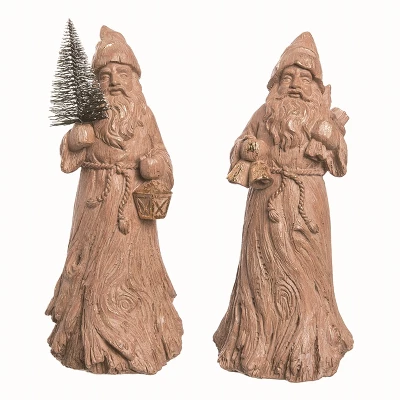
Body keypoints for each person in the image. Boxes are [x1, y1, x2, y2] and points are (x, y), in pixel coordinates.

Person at [213, 32, 353, 382]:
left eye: (304, 78)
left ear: (317, 87)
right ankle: (255, 339)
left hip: (308, 204)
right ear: (275, 84)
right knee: (261, 270)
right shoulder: (264, 114)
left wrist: (332, 137)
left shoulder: (322, 117)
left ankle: (311, 340)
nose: (294, 84)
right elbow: (239, 145)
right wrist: (248, 148)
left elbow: (340, 165)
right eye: (287, 77)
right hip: (266, 201)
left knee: (309, 271)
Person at [46, 26, 183, 374]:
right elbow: (68, 159)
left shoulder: (144, 116)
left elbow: (163, 155)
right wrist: (75, 140)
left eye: (122, 73)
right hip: (96, 203)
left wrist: (156, 166)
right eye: (105, 76)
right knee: (91, 266)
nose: (114, 81)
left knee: (134, 268)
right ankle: (88, 337)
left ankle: (140, 333)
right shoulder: (89, 115)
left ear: (134, 78)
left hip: (134, 208)